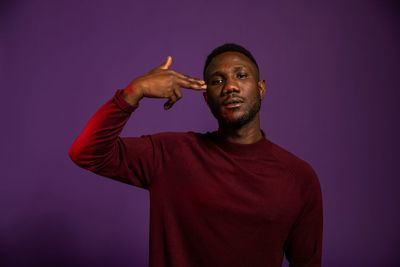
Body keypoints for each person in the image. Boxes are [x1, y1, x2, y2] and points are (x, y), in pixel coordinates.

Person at [69, 43, 323, 267]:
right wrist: (134, 91)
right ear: (206, 99)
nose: (230, 86)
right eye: (217, 80)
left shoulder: (298, 177)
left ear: (261, 89)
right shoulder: (170, 153)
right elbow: (87, 152)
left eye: (241, 76)